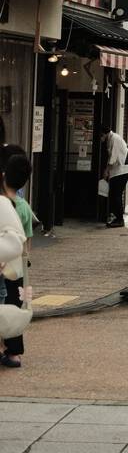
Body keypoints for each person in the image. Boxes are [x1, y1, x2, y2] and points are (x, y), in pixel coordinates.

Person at [0, 147, 32, 368]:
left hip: (2, 263)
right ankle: (14, 352)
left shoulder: (2, 204)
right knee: (14, 305)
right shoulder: (23, 206)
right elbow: (27, 239)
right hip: (16, 267)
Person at [101, 124, 128, 228]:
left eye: (101, 136)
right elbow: (111, 157)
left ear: (103, 134)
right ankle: (116, 216)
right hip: (117, 170)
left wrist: (106, 171)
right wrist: (108, 171)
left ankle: (119, 219)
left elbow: (113, 158)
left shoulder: (115, 139)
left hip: (122, 170)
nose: (101, 139)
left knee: (116, 194)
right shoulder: (111, 139)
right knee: (113, 194)